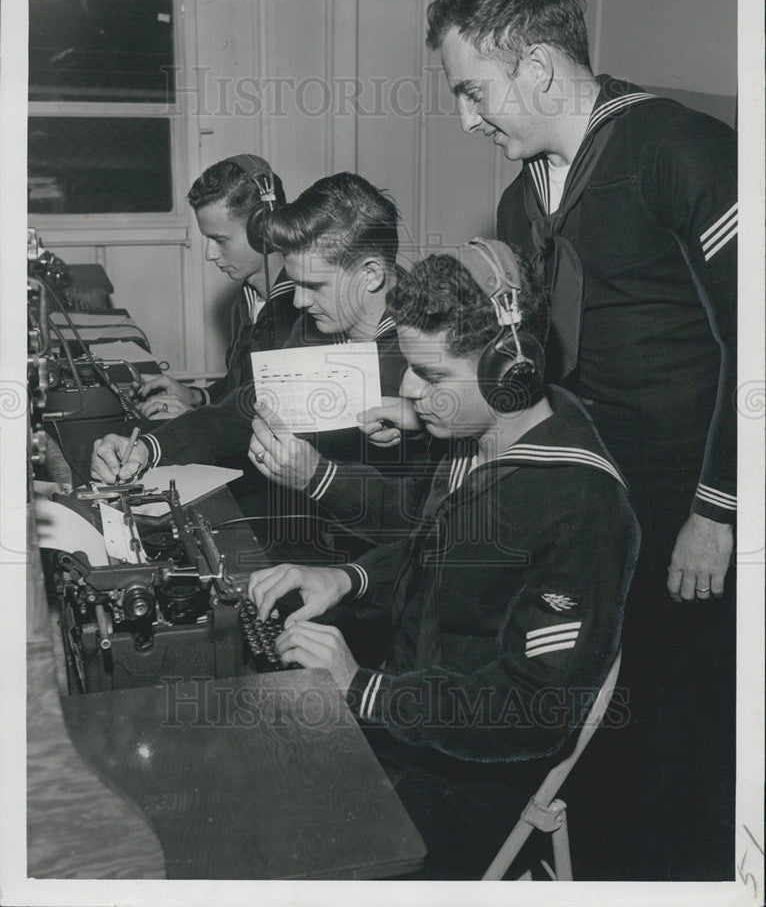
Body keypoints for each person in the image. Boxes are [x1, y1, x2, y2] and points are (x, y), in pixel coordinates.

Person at [425, 0, 736, 879]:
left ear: (542, 70)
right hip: (606, 509)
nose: (469, 120)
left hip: (692, 507)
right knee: (603, 713)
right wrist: (447, 409)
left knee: (685, 731)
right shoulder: (526, 198)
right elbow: (544, 366)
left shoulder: (682, 149)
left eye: (475, 93)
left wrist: (718, 512)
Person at [246, 241, 639, 880]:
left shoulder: (580, 508)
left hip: (472, 778)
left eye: (431, 376)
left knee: (270, 840)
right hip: (412, 717)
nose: (407, 390)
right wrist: (345, 577)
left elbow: (532, 712)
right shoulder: (482, 437)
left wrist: (361, 689)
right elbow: (439, 547)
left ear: (508, 373)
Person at [90, 173, 425, 566]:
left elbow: (426, 521)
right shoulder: (318, 329)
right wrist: (147, 447)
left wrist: (319, 477)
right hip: (308, 541)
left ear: (370, 274)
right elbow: (243, 410)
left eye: (313, 285)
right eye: (295, 283)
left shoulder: (430, 362)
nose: (297, 301)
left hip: (376, 574)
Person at [135, 154, 299, 419]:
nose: (209, 254)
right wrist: (198, 396)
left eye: (219, 240)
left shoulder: (303, 310)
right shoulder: (247, 299)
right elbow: (242, 387)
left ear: (264, 229)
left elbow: (284, 428)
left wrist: (195, 420)